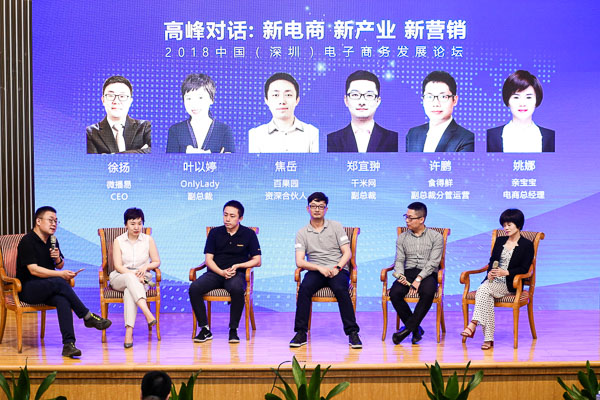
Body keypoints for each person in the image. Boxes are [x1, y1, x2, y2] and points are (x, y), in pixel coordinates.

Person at [16, 206, 112, 357]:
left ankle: (68, 345)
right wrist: (60, 274)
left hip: (48, 287)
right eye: (50, 220)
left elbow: (60, 265)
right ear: (38, 221)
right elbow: (33, 270)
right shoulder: (27, 241)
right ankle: (87, 316)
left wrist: (57, 259)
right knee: (60, 281)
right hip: (28, 289)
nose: (54, 224)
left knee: (63, 300)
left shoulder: (52, 240)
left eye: (56, 221)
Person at [290, 192, 362, 349]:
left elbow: (347, 253)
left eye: (321, 206)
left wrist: (337, 267)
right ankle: (301, 333)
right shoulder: (302, 233)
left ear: (326, 209)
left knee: (341, 289)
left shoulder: (336, 226)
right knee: (304, 289)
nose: (317, 209)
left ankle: (352, 333)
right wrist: (319, 268)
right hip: (316, 270)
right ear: (308, 208)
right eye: (313, 206)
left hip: (337, 269)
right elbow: (299, 261)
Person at [189, 200, 261, 343]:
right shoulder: (215, 233)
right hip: (215, 273)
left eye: (232, 216)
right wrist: (221, 272)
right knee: (194, 288)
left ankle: (233, 330)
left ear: (240, 218)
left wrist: (239, 265)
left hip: (236, 273)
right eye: (225, 215)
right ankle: (205, 329)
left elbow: (257, 261)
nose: (227, 219)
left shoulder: (249, 234)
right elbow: (208, 259)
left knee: (236, 288)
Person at [461, 209, 534, 350]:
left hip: (510, 283)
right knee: (485, 294)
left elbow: (525, 269)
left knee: (483, 289)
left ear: (518, 225)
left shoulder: (527, 245)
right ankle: (488, 339)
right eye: (504, 225)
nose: (506, 228)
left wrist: (506, 272)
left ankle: (473, 324)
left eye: (509, 225)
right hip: (493, 282)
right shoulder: (500, 240)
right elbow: (492, 261)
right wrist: (490, 273)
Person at [389, 202, 443, 345]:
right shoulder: (402, 237)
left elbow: (433, 262)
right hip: (408, 272)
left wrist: (419, 278)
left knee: (428, 292)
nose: (407, 220)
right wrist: (400, 274)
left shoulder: (436, 237)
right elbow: (399, 260)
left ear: (421, 219)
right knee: (394, 293)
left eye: (410, 218)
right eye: (406, 217)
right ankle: (415, 329)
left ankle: (407, 330)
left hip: (427, 273)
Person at [111, 208, 160, 348]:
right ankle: (147, 312)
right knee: (129, 279)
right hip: (120, 276)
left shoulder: (148, 240)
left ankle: (128, 333)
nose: (136, 227)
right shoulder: (118, 241)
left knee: (129, 292)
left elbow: (156, 261)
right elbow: (118, 266)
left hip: (142, 276)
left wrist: (145, 267)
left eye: (139, 223)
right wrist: (134, 275)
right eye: (132, 224)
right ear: (125, 225)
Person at [327, 70, 398, 152]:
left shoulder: (394, 139)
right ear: (346, 100)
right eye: (355, 95)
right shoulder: (331, 140)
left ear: (378, 101)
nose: (362, 102)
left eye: (369, 95)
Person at [248, 73, 319, 153]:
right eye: (275, 95)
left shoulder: (313, 133)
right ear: (266, 100)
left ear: (297, 100)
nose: (282, 101)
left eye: (288, 95)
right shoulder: (254, 135)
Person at [487, 70, 555, 152]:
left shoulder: (551, 137)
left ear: (536, 101)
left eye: (528, 97)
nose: (522, 103)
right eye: (516, 97)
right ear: (507, 101)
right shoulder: (490, 136)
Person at [406, 71, 474, 152]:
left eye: (443, 97)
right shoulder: (412, 134)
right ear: (423, 100)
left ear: (455, 100)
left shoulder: (467, 139)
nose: (436, 104)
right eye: (429, 96)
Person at [166, 74, 235, 153]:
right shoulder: (175, 131)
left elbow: (231, 160)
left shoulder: (224, 130)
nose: (194, 104)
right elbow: (169, 160)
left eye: (200, 98)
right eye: (189, 98)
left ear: (211, 99)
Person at [86, 75, 151, 154]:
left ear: (130, 101)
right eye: (110, 96)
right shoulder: (90, 133)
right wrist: (139, 152)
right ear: (103, 100)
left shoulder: (145, 127)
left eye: (122, 96)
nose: (116, 101)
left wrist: (111, 156)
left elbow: (156, 153)